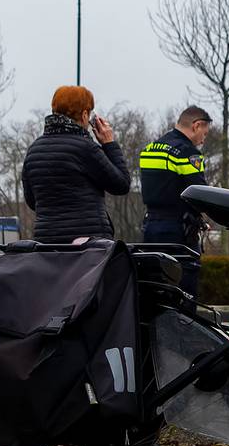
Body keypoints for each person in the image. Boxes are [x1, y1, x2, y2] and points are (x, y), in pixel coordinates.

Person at [21, 85, 130, 244]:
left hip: (47, 244)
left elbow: (32, 200)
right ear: (85, 115)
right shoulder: (85, 148)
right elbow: (121, 184)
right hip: (87, 246)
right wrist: (109, 144)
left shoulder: (34, 150)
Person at [139, 106, 212, 296]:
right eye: (204, 133)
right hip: (179, 231)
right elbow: (200, 193)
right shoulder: (188, 153)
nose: (203, 140)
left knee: (154, 287)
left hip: (151, 228)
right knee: (183, 291)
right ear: (196, 126)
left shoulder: (150, 149)